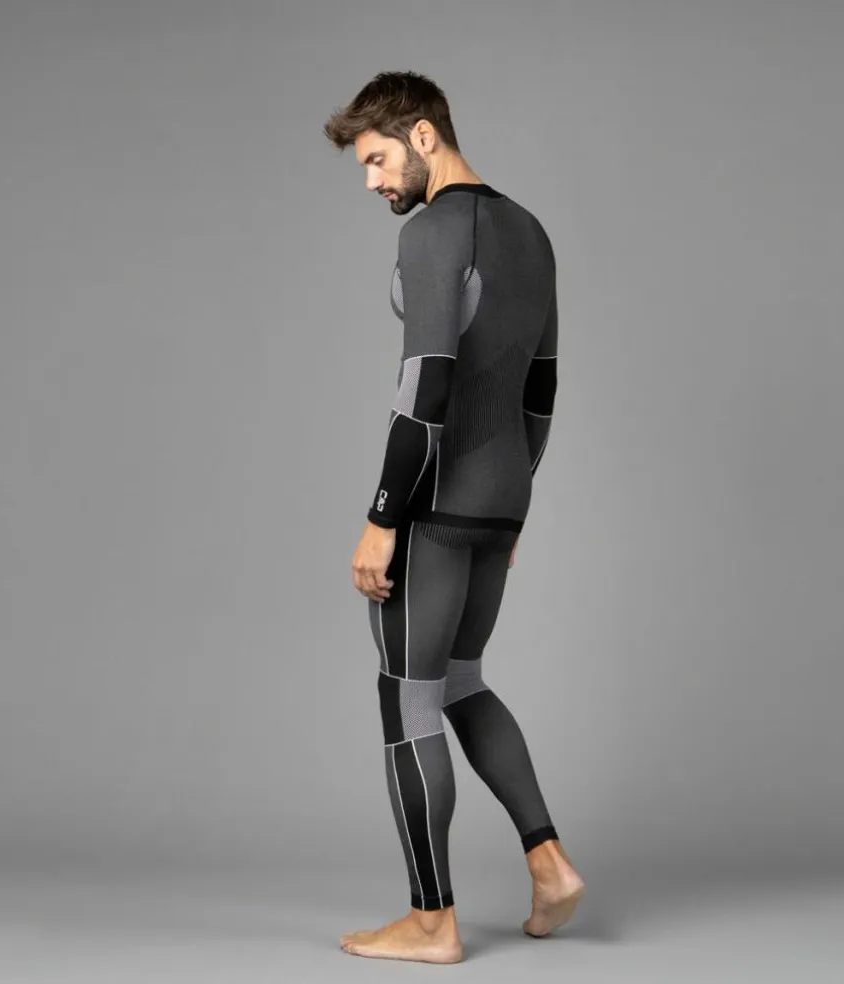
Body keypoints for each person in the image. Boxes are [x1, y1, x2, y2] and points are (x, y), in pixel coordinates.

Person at [323, 70, 583, 964]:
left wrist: (382, 517)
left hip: (431, 506)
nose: (372, 181)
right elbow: (541, 390)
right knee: (463, 682)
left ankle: (431, 921)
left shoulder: (435, 231)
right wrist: (513, 508)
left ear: (424, 137)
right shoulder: (532, 232)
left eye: (377, 159)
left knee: (410, 697)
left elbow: (424, 389)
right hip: (502, 499)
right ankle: (550, 865)